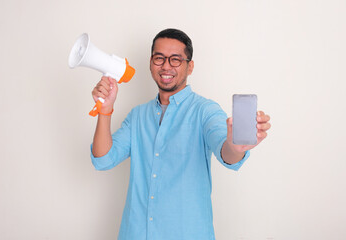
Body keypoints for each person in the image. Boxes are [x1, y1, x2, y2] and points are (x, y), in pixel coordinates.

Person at [90, 28, 271, 240]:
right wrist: (105, 109)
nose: (166, 65)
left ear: (190, 66)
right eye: (159, 58)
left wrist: (235, 145)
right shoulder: (137, 116)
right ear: (151, 62)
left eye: (175, 59)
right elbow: (102, 160)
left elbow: (226, 150)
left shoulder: (205, 111)